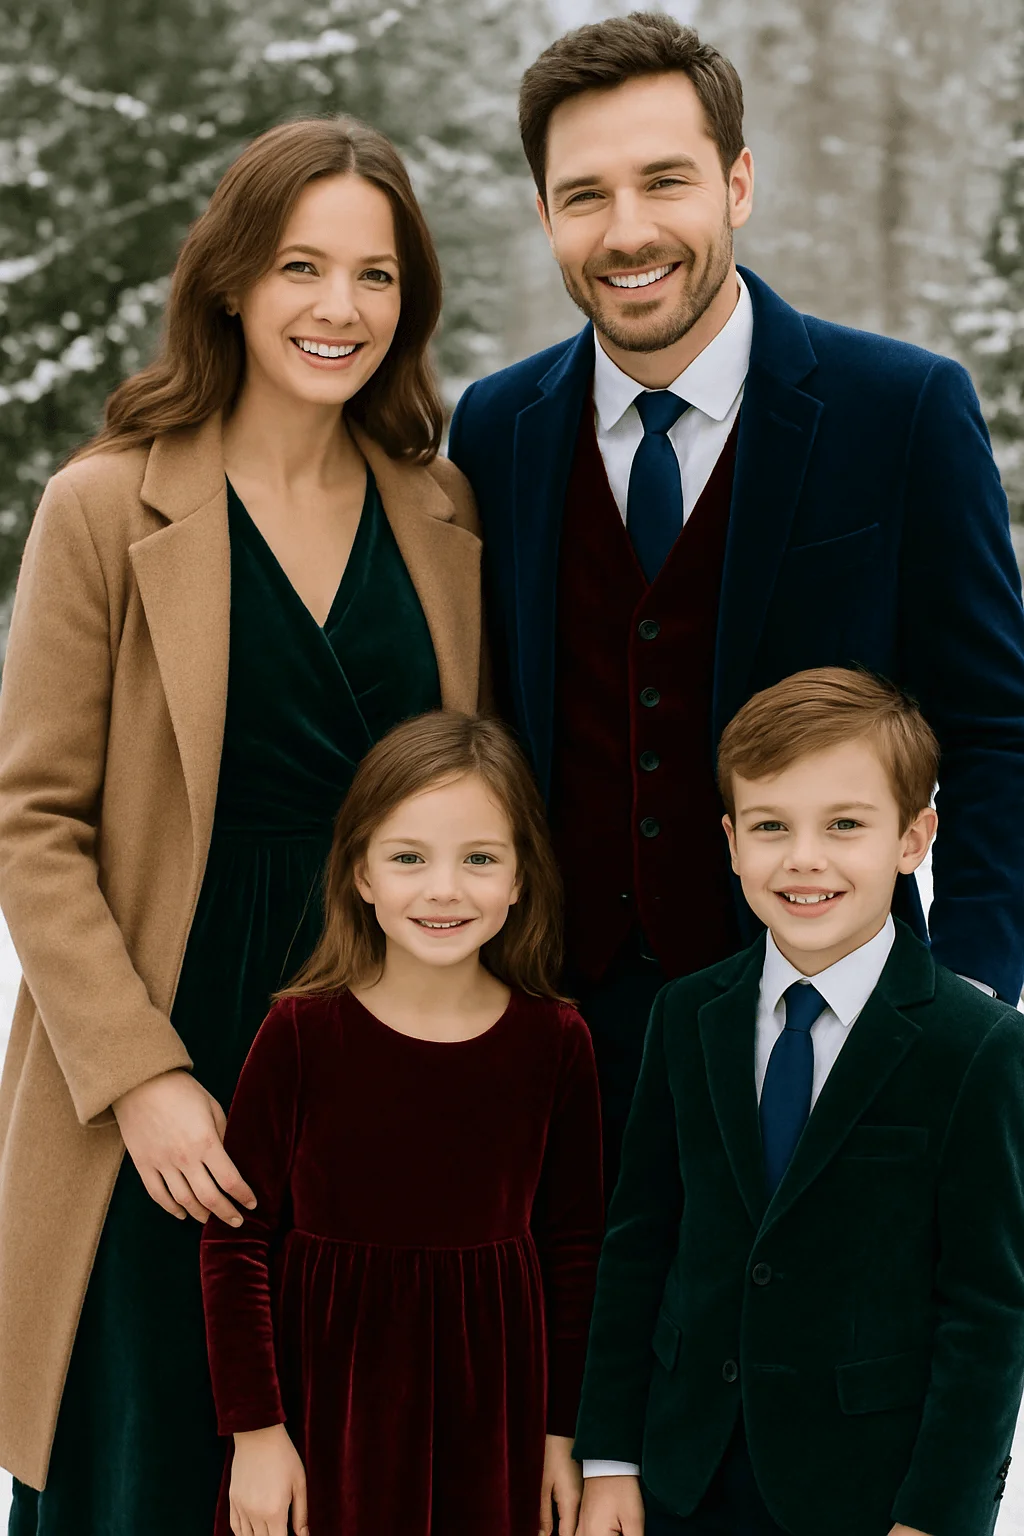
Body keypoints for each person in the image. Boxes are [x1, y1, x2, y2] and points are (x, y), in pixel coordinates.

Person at [0, 116, 487, 1536]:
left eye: (376, 275)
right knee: (151, 1472)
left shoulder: (440, 509)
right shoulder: (105, 506)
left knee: (359, 1471)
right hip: (169, 1082)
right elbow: (32, 821)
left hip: (382, 1071)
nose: (341, 308)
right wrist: (139, 1077)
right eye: (300, 267)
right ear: (229, 281)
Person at [447, 11, 1024, 1195]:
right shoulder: (495, 429)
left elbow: (994, 727)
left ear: (737, 184)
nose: (628, 230)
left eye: (665, 180)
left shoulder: (901, 409)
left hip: (837, 1040)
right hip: (566, 1056)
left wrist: (964, 996)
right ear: (545, 215)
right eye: (585, 194)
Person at [573, 667, 1024, 1536]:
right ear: (732, 841)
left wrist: (936, 1518)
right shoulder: (686, 1014)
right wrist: (611, 1459)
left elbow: (988, 1312)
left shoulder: (978, 1047)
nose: (804, 858)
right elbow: (639, 1242)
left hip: (865, 1493)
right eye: (771, 825)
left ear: (914, 837)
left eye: (844, 825)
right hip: (681, 1475)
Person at [199, 710, 603, 1536]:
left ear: (521, 878)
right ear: (360, 873)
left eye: (479, 859)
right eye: (408, 858)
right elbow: (234, 1244)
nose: (443, 889)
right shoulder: (301, 1032)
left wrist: (562, 1437)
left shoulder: (556, 1042)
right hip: (326, 1409)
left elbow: (575, 1249)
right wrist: (257, 1436)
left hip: (493, 1418)